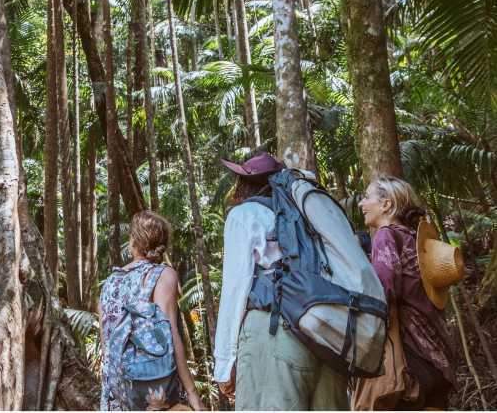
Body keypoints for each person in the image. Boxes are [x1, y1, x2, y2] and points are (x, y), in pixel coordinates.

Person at [213, 152, 350, 410]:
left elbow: (236, 287)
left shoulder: (245, 214)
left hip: (273, 331)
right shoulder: (312, 214)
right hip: (327, 334)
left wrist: (225, 362)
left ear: (244, 184)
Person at [356, 176, 457, 409]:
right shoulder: (416, 241)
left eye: (367, 197)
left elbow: (383, 291)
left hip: (409, 363)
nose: (361, 204)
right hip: (439, 361)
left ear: (387, 205)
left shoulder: (385, 236)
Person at [99, 211, 205, 411]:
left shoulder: (110, 282)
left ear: (133, 241)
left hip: (117, 389)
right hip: (154, 386)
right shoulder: (163, 275)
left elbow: (107, 346)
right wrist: (192, 393)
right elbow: (171, 334)